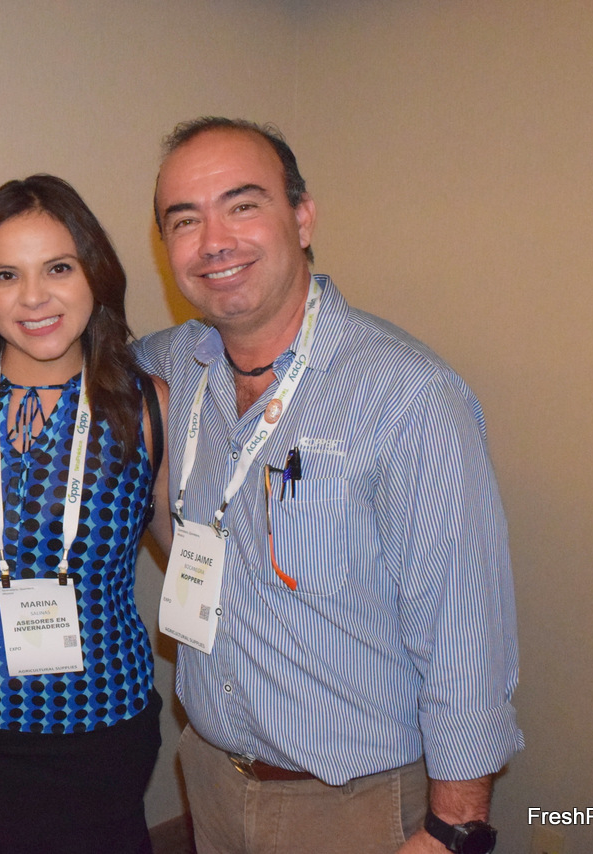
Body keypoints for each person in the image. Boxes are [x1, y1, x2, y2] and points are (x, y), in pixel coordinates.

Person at [133, 117, 522, 854]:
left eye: (242, 205)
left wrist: (453, 829)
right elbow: (54, 352)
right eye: (185, 220)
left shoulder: (407, 395)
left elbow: (463, 632)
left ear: (303, 218)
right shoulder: (167, 369)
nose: (214, 240)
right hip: (210, 779)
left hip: (356, 807)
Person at [0, 174, 171, 854]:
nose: (34, 297)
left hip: (100, 731)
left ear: (95, 273)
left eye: (58, 268)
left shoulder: (146, 405)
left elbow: (188, 553)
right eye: (6, 275)